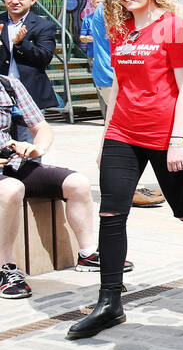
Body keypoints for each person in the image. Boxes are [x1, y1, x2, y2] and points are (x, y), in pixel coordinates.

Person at [67, 0, 183, 339]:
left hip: (167, 133)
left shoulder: (175, 27)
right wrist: (105, 137)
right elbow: (121, 87)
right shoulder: (118, 28)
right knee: (111, 213)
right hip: (123, 130)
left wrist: (177, 139)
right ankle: (109, 302)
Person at [1, 73, 133, 298]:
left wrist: (37, 149)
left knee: (78, 183)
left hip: (13, 164)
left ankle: (88, 254)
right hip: (9, 181)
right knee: (12, 189)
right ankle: (5, 268)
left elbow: (42, 128)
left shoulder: (8, 84)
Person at [2, 0, 59, 145]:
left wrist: (21, 44)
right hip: (2, 94)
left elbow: (44, 57)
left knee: (28, 149)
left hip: (28, 94)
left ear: (32, 0)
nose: (15, 1)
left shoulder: (43, 25)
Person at [79, 0, 114, 118]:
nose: (100, 4)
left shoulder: (112, 17)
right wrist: (89, 39)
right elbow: (82, 37)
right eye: (97, 2)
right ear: (93, 4)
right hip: (95, 55)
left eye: (101, 1)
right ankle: (106, 116)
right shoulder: (88, 19)